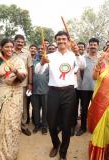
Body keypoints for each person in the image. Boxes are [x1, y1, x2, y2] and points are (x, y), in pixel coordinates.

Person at [40, 31, 86, 160]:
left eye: (64, 39)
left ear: (68, 41)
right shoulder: (49, 56)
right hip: (53, 92)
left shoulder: (73, 55)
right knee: (51, 122)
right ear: (55, 41)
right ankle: (56, 143)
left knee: (66, 124)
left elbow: (83, 66)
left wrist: (77, 53)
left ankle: (63, 152)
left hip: (69, 92)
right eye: (58, 39)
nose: (61, 41)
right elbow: (39, 71)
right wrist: (42, 62)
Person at [0, 38, 27, 160]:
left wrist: (15, 71)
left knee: (11, 125)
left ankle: (9, 155)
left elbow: (21, 78)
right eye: (7, 47)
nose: (9, 49)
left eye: (11, 47)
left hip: (14, 95)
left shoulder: (18, 61)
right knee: (0, 125)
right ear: (1, 48)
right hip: (0, 94)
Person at [76, 38, 99, 136]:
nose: (93, 46)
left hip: (97, 89)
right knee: (84, 109)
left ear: (98, 46)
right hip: (85, 88)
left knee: (96, 109)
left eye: (95, 44)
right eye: (91, 44)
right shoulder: (83, 58)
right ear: (88, 46)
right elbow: (79, 71)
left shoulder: (101, 58)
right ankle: (83, 128)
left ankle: (95, 127)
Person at [14, 34, 33, 136]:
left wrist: (30, 83)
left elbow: (30, 68)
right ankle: (14, 126)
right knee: (12, 106)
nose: (20, 43)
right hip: (10, 84)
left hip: (23, 84)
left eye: (22, 42)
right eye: (18, 41)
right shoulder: (9, 51)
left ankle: (24, 126)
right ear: (14, 42)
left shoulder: (27, 53)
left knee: (23, 106)